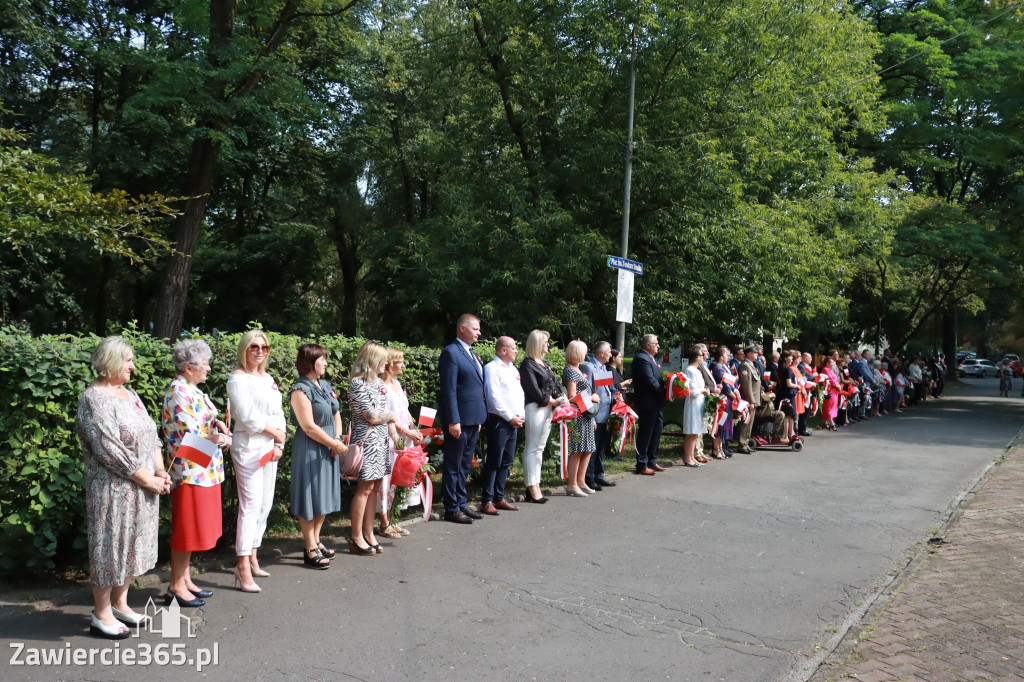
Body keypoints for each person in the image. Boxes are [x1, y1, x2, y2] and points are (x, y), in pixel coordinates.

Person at [76, 336, 169, 639]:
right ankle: (100, 613)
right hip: (112, 491)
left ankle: (120, 603)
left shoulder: (131, 395)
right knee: (109, 548)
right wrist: (148, 479)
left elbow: (151, 433)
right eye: (128, 360)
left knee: (131, 547)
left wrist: (159, 469)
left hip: (142, 488)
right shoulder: (94, 398)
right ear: (111, 361)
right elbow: (108, 449)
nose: (133, 365)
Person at [161, 339, 229, 607]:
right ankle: (175, 586)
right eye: (205, 365)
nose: (209, 369)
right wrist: (222, 440)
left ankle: (185, 579)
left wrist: (218, 422)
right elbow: (191, 434)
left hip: (202, 468)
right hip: (189, 469)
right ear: (189, 368)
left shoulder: (192, 389)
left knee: (192, 528)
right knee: (186, 529)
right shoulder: (179, 391)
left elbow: (203, 421)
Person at [227, 329, 287, 592]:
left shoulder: (268, 378)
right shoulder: (237, 378)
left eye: (264, 347)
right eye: (254, 347)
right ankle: (241, 566)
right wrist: (275, 433)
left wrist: (279, 442)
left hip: (269, 446)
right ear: (244, 349)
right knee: (250, 506)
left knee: (265, 503)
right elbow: (248, 417)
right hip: (248, 446)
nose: (260, 351)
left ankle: (252, 555)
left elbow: (278, 413)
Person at [288, 343, 347, 569]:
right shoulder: (299, 390)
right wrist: (333, 442)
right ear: (310, 361)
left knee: (323, 496)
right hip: (311, 449)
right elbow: (308, 426)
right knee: (309, 496)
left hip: (330, 446)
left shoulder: (325, 385)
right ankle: (309, 547)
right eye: (322, 359)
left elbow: (336, 412)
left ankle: (317, 539)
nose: (326, 363)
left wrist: (338, 440)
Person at [347, 342, 397, 553]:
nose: (386, 363)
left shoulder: (378, 383)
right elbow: (373, 417)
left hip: (380, 440)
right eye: (383, 359)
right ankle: (356, 536)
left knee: (375, 488)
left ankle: (369, 533)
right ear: (371, 360)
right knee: (364, 488)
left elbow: (382, 414)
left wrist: (387, 420)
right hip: (366, 441)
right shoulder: (357, 384)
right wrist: (390, 416)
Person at [438, 314, 487, 524]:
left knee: (465, 465)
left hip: (473, 419)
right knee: (453, 464)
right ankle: (451, 508)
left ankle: (461, 503)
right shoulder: (451, 352)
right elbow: (448, 390)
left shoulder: (471, 353)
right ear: (462, 328)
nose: (479, 333)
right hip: (459, 420)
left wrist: (478, 418)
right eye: (475, 329)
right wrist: (453, 420)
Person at [378, 348, 424, 538]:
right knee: (387, 480)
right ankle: (383, 521)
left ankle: (393, 519)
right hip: (391, 437)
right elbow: (387, 415)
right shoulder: (382, 385)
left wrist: (414, 428)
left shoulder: (396, 383)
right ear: (390, 363)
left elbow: (405, 410)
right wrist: (405, 431)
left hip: (405, 437)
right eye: (400, 362)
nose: (404, 365)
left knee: (400, 479)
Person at [519, 330, 566, 503]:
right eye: (546, 342)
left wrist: (562, 396)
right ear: (538, 343)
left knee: (540, 448)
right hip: (537, 408)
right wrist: (552, 401)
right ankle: (532, 487)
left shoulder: (543, 364)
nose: (548, 345)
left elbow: (555, 384)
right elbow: (533, 390)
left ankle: (535, 484)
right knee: (532, 448)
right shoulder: (528, 364)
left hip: (548, 408)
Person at [481, 336, 525, 514]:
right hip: (500, 420)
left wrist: (520, 416)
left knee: (506, 461)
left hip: (513, 421)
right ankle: (487, 500)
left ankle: (499, 497)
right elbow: (493, 397)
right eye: (513, 348)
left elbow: (517, 394)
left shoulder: (512, 368)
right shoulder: (492, 368)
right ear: (503, 350)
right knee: (494, 460)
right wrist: (509, 417)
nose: (516, 351)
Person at [562, 340, 600, 496]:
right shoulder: (570, 370)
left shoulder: (578, 369)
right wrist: (591, 398)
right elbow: (571, 396)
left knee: (588, 449)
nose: (586, 353)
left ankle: (581, 481)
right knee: (577, 450)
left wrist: (593, 417)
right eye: (584, 351)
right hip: (577, 415)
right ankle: (572, 484)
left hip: (586, 415)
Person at [632, 334, 667, 475]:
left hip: (656, 403)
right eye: (656, 343)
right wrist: (665, 392)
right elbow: (650, 380)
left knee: (657, 431)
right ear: (648, 345)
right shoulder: (641, 358)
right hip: (647, 403)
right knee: (646, 434)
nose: (658, 346)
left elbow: (658, 379)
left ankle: (652, 460)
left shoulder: (650, 358)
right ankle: (641, 464)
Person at [583, 341, 616, 489]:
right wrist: (592, 417)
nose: (611, 354)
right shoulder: (589, 367)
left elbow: (608, 389)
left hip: (606, 413)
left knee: (601, 447)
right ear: (602, 353)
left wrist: (616, 397)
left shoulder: (603, 367)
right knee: (593, 448)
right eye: (609, 352)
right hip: (596, 414)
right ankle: (589, 478)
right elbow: (587, 393)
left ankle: (599, 475)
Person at [682, 346, 710, 467]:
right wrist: (704, 390)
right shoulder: (689, 370)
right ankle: (688, 457)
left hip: (699, 403)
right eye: (701, 355)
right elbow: (692, 391)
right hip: (693, 404)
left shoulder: (697, 370)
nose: (703, 357)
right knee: (691, 432)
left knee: (695, 432)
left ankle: (692, 456)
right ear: (697, 357)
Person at [711, 346, 736, 459]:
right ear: (721, 357)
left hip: (727, 401)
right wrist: (733, 395)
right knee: (720, 425)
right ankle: (716, 449)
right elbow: (725, 386)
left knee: (724, 425)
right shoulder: (718, 369)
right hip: (723, 401)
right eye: (726, 355)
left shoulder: (724, 368)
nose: (728, 357)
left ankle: (721, 448)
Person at [735, 347, 760, 454]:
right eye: (755, 353)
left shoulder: (750, 365)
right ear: (749, 354)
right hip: (749, 400)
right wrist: (751, 401)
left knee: (749, 423)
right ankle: (742, 444)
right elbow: (746, 385)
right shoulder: (745, 365)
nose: (757, 354)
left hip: (753, 399)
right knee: (746, 423)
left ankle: (745, 443)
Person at [775, 351, 798, 442]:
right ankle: (786, 435)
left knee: (789, 415)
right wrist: (797, 386)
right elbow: (789, 384)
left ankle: (789, 434)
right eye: (790, 357)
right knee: (788, 415)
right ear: (785, 358)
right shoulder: (787, 369)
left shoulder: (782, 368)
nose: (792, 358)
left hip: (783, 394)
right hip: (788, 394)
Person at [820, 351, 841, 431]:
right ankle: (832, 424)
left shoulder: (829, 370)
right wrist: (837, 385)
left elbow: (834, 379)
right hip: (829, 390)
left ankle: (825, 423)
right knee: (828, 406)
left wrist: (838, 385)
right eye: (831, 362)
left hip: (834, 390)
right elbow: (830, 380)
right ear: (827, 363)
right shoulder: (825, 370)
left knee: (830, 406)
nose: (833, 364)